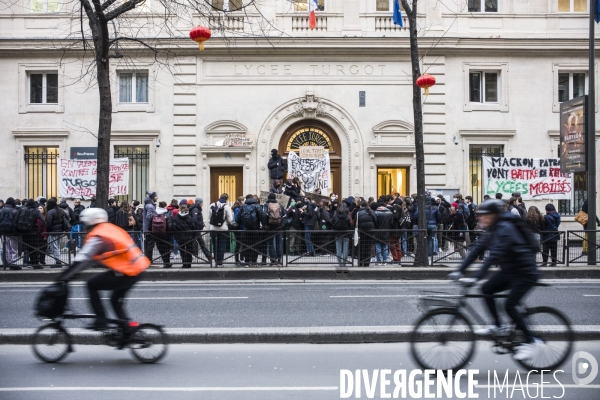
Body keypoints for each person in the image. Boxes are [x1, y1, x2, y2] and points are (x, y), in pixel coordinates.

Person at [448, 199, 541, 361]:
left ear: (494, 215)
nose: (480, 219)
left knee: (509, 305)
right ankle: (498, 326)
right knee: (487, 289)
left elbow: (494, 256)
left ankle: (532, 342)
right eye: (480, 216)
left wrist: (476, 278)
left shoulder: (504, 228)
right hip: (510, 270)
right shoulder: (492, 229)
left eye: (484, 216)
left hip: (525, 272)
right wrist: (460, 270)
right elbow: (477, 249)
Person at [56, 208, 150, 331]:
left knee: (91, 284)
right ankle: (127, 330)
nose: (84, 227)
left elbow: (83, 258)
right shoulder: (109, 229)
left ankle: (101, 320)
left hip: (128, 271)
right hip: (134, 268)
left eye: (85, 224)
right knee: (114, 300)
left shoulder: (99, 236)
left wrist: (64, 276)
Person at [209, 193, 234, 267]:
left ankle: (216, 261)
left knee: (215, 245)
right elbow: (230, 219)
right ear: (226, 199)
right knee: (222, 246)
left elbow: (209, 217)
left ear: (219, 197)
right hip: (223, 229)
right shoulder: (226, 207)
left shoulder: (212, 205)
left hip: (213, 228)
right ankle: (220, 262)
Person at [237, 194, 262, 267]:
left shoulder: (243, 206)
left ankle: (247, 262)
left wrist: (244, 223)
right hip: (255, 229)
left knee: (246, 246)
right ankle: (254, 262)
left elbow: (238, 217)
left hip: (246, 229)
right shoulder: (257, 206)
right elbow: (261, 216)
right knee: (255, 246)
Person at [263, 193, 286, 265]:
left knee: (270, 244)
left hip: (270, 227)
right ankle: (279, 260)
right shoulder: (280, 205)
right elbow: (285, 216)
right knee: (279, 243)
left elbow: (264, 215)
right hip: (278, 227)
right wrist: (282, 225)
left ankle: (273, 260)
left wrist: (265, 225)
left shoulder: (266, 205)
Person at [189, 197, 212, 262]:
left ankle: (209, 257)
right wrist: (199, 226)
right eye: (202, 203)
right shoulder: (196, 209)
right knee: (201, 244)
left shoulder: (196, 209)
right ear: (199, 203)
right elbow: (194, 220)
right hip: (196, 230)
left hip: (196, 230)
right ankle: (208, 257)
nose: (202, 204)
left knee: (199, 243)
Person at [0, 197, 20, 269]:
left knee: (6, 248)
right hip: (12, 233)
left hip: (3, 233)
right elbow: (16, 222)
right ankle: (14, 263)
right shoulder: (15, 211)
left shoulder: (1, 210)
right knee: (14, 249)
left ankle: (8, 262)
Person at [356, 200, 377, 267]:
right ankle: (367, 263)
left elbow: (356, 223)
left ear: (361, 205)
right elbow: (376, 221)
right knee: (368, 247)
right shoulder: (372, 212)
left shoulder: (359, 212)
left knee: (361, 247)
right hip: (370, 232)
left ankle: (360, 262)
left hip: (361, 232)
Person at [332, 202, 351, 268]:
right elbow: (349, 224)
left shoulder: (335, 215)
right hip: (346, 233)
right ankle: (344, 263)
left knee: (338, 248)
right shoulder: (348, 215)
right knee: (345, 248)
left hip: (337, 233)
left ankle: (339, 263)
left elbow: (333, 223)